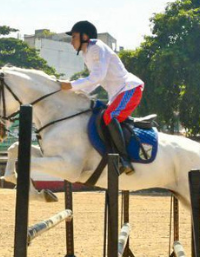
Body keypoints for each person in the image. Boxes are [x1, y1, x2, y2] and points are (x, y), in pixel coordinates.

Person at [59, 20, 143, 174]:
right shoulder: (86, 53)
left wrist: (71, 85)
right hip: (118, 93)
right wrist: (73, 93)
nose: (71, 41)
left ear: (85, 36)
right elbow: (93, 83)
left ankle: (125, 160)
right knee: (100, 116)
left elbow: (97, 77)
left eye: (74, 37)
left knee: (110, 116)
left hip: (130, 88)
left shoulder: (96, 48)